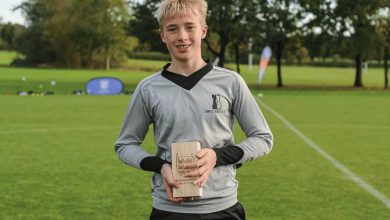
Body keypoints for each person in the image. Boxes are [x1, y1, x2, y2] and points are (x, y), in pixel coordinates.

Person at [115, 0, 273, 219]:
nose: (182, 36)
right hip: (169, 210)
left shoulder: (231, 82)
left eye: (190, 26)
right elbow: (125, 145)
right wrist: (161, 166)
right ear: (162, 35)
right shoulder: (148, 88)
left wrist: (216, 156)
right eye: (172, 29)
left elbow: (263, 138)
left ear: (203, 30)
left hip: (223, 208)